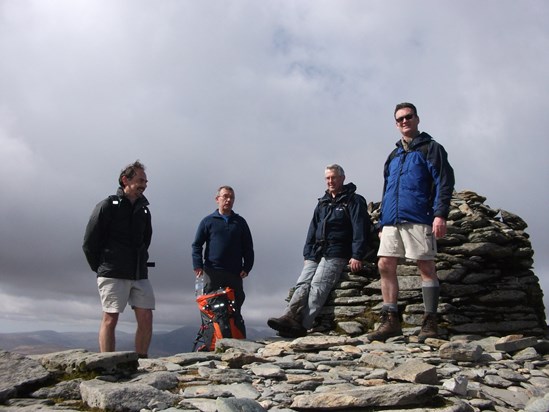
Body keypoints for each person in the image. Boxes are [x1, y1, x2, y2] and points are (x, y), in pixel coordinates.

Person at [368, 102, 455, 343]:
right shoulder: (393, 155)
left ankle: (430, 321)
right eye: (399, 119)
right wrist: (381, 222)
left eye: (408, 117)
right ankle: (390, 319)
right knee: (385, 264)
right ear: (396, 124)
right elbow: (387, 189)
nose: (404, 122)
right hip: (391, 220)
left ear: (417, 118)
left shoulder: (431, 148)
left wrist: (440, 214)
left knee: (425, 266)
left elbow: (444, 182)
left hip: (419, 216)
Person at [268, 164, 370, 338]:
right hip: (317, 251)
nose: (330, 181)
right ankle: (288, 317)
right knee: (302, 283)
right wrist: (307, 254)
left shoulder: (354, 200)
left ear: (342, 178)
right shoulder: (323, 202)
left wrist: (357, 255)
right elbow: (312, 229)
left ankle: (303, 325)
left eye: (334, 177)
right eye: (328, 178)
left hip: (337, 251)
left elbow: (360, 228)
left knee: (318, 287)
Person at [83, 160, 155, 358]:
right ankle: (108, 363)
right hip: (112, 271)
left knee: (146, 316)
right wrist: (101, 267)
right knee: (110, 318)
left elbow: (145, 240)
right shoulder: (107, 205)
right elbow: (90, 241)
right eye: (140, 180)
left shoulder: (144, 210)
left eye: (146, 181)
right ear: (125, 180)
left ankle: (141, 361)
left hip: (139, 272)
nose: (144, 184)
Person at [192, 186, 254, 337]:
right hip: (212, 272)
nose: (228, 200)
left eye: (231, 197)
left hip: (234, 273)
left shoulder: (240, 222)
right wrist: (197, 265)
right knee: (212, 309)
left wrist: (247, 267)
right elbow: (197, 245)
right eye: (225, 196)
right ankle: (213, 342)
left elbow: (248, 247)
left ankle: (237, 340)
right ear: (217, 199)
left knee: (235, 308)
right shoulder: (208, 221)